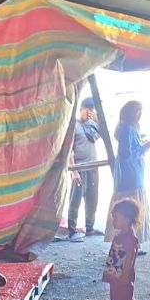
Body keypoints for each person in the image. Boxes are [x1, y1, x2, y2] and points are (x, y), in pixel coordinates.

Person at [105, 101, 150, 245]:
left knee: (131, 207)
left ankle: (130, 242)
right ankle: (128, 242)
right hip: (130, 176)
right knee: (130, 209)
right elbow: (127, 155)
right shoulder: (127, 129)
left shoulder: (127, 127)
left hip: (131, 174)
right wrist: (145, 147)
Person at [59, 97, 101, 242]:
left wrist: (98, 119)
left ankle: (90, 227)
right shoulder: (74, 125)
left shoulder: (92, 125)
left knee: (92, 199)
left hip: (93, 167)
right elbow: (69, 150)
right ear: (81, 109)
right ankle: (72, 230)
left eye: (92, 110)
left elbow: (106, 134)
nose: (89, 113)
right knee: (75, 200)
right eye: (87, 109)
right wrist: (74, 171)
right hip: (80, 167)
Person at [103, 199, 141, 300]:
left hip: (123, 276)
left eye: (116, 217)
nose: (113, 220)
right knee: (115, 297)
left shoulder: (131, 238)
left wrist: (125, 275)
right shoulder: (121, 234)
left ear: (126, 219)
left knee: (124, 299)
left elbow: (130, 257)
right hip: (115, 273)